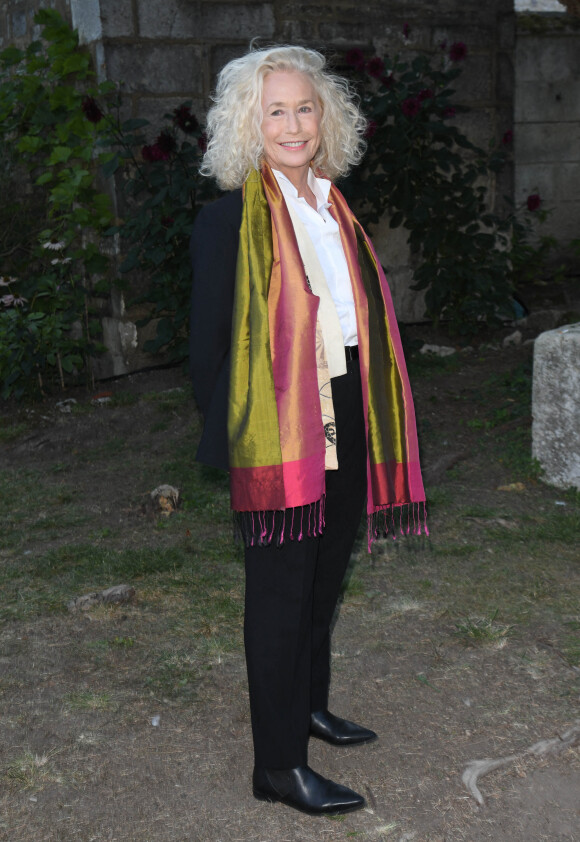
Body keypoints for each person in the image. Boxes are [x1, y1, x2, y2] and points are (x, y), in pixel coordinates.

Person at [189, 45, 426, 816]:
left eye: (304, 108)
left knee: (326, 573)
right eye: (274, 111)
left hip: (349, 405)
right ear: (247, 127)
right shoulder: (229, 222)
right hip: (279, 428)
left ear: (326, 118)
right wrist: (237, 443)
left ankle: (309, 707)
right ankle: (278, 764)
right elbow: (208, 351)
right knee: (281, 592)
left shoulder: (335, 207)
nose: (292, 124)